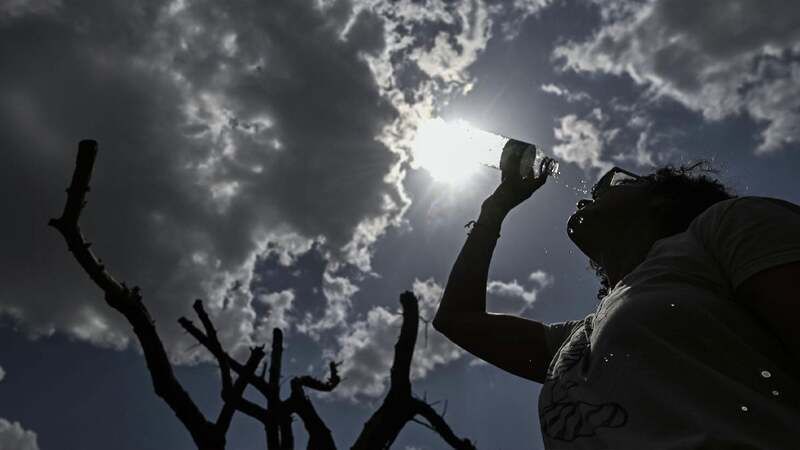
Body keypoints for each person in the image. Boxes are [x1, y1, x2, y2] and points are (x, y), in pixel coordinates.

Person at [433, 140, 800, 449]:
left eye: (615, 182)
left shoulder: (723, 226)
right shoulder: (577, 341)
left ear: (661, 199)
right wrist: (495, 207)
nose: (593, 193)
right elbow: (458, 320)